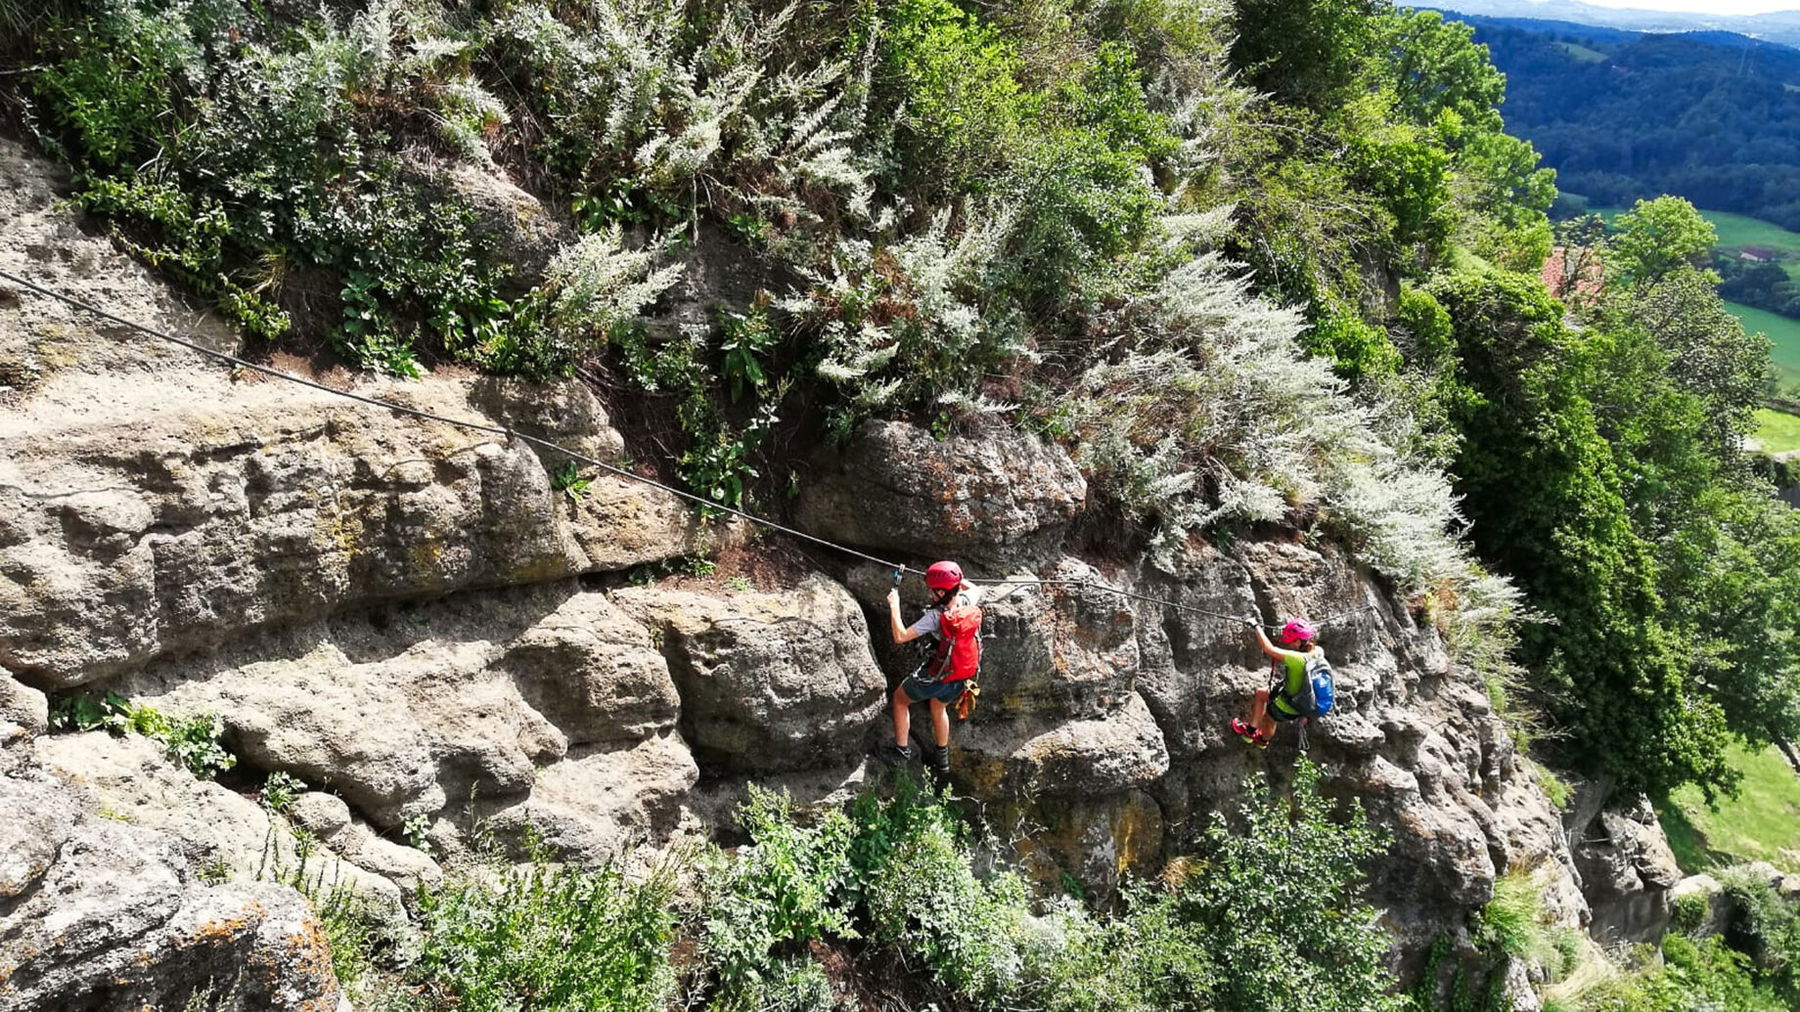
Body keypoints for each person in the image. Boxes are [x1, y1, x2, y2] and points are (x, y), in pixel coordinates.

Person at [879, 560, 981, 780]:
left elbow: (900, 636)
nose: (931, 595)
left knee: (899, 699)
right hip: (959, 676)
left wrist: (894, 605)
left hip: (936, 675)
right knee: (938, 707)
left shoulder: (936, 617)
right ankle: (942, 762)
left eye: (934, 591)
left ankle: (901, 751)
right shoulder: (966, 600)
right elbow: (974, 588)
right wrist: (954, 580)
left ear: (943, 591)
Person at [1230, 618, 1322, 747]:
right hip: (1303, 701)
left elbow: (1268, 649)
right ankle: (1257, 736)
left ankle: (1259, 737)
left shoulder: (1297, 659)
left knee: (1271, 717)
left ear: (1297, 641)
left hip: (1288, 705)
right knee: (1262, 694)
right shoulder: (1318, 652)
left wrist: (1256, 626)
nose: (1289, 644)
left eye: (1291, 641)